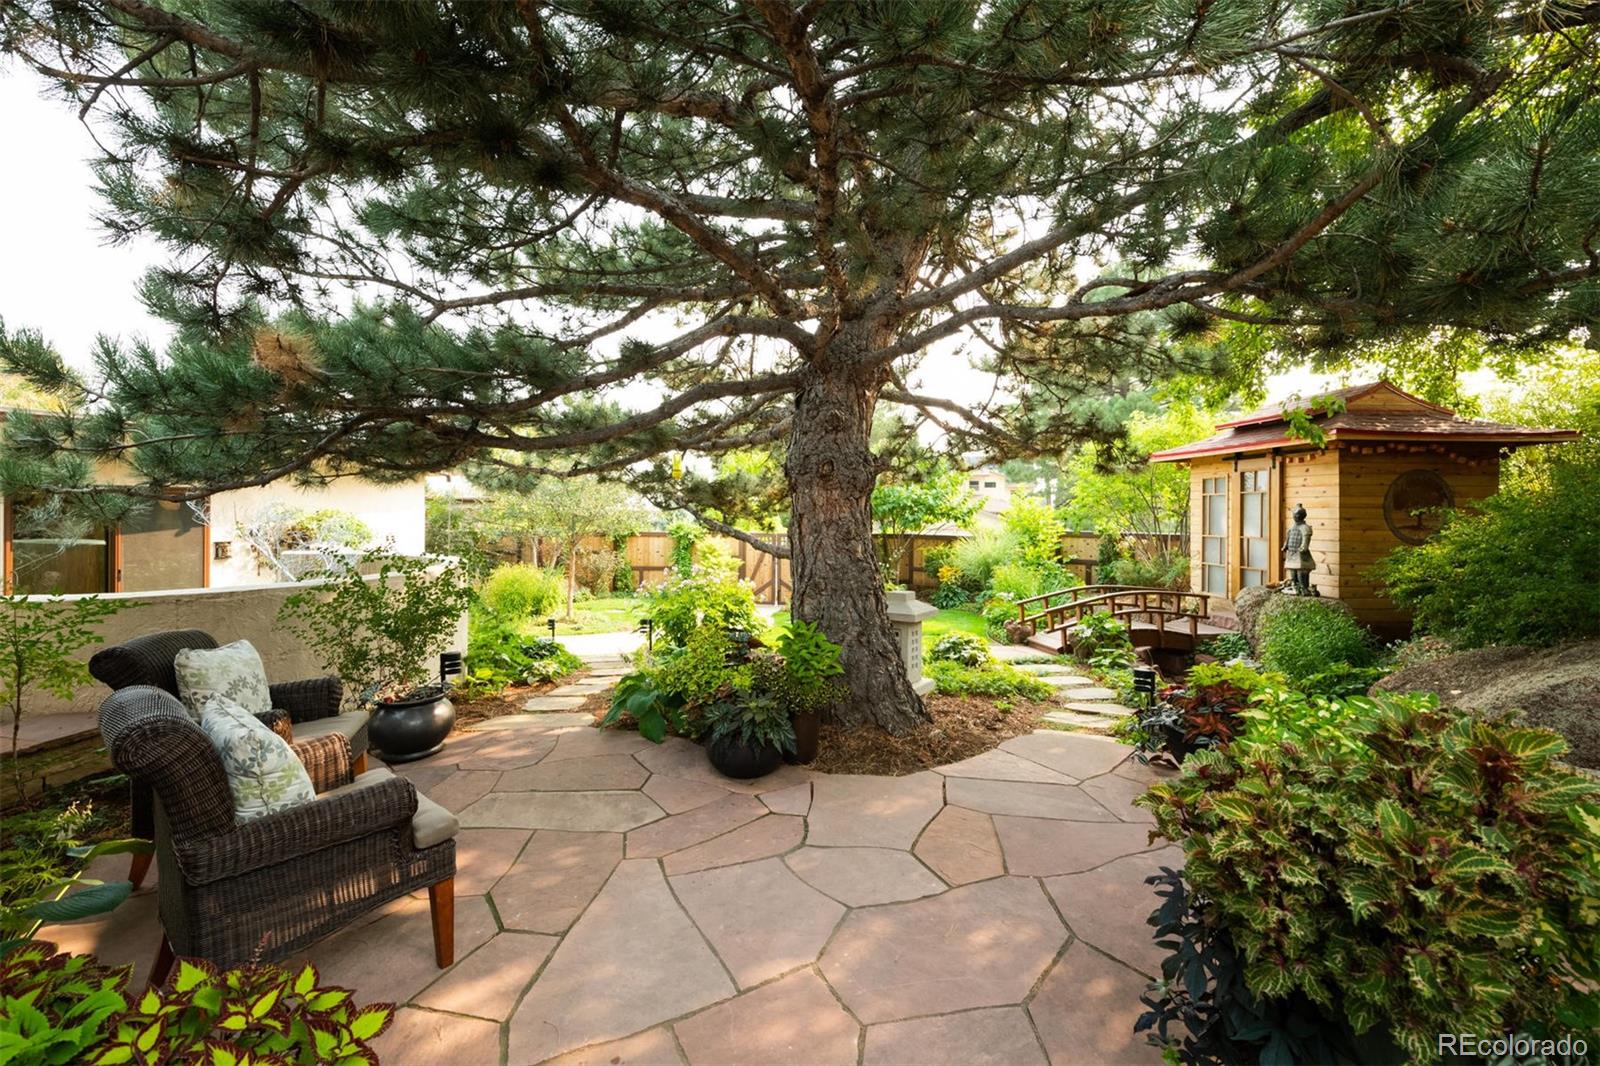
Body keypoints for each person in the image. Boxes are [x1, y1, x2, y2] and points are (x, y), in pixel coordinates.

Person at [1283, 505, 1315, 594]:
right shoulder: (1292, 527)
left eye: (1298, 514)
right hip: (1292, 552)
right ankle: (1295, 587)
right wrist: (1285, 546)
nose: (1296, 516)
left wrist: (1304, 546)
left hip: (1301, 553)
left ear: (1303, 515)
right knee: (1293, 572)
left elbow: (1305, 538)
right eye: (1295, 514)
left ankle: (1304, 588)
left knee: (1301, 572)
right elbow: (1288, 537)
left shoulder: (1305, 527)